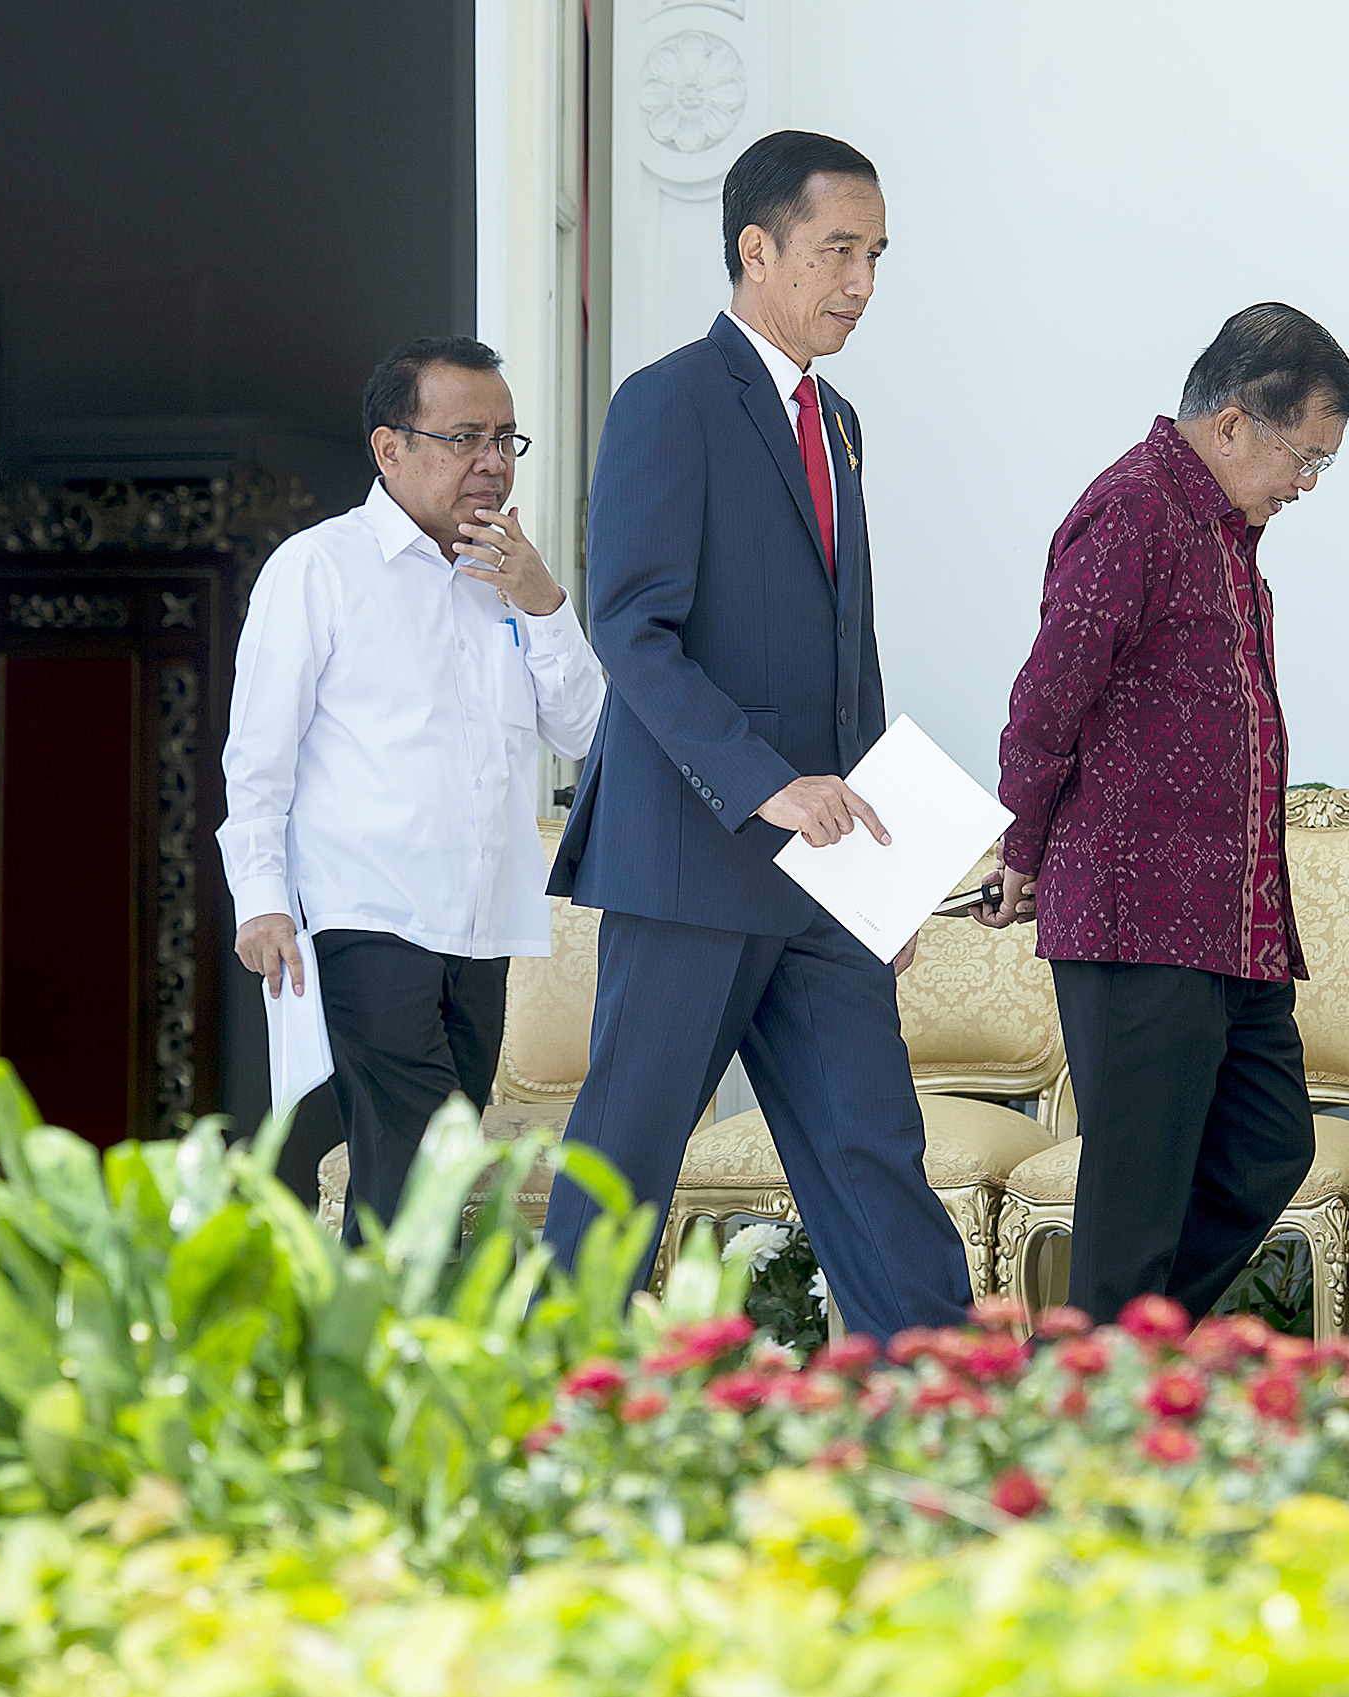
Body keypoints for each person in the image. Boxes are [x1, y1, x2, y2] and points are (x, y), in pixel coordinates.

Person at [539, 130, 972, 1340]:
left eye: (876, 254)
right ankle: (542, 1416)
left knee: (872, 1148)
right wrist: (765, 783)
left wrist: (885, 878)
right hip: (692, 858)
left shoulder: (838, 422)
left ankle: (943, 1422)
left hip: (825, 876)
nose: (863, 282)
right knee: (625, 1160)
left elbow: (850, 665)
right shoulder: (665, 401)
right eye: (839, 250)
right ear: (755, 248)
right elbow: (633, 629)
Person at [984, 302, 1349, 1322]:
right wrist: (1022, 843)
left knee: (1269, 1144)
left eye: (1321, 464)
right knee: (1139, 1189)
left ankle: (1115, 1348)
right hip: (1136, 914)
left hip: (1231, 920)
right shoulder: (1134, 511)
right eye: (1303, 456)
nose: (1305, 484)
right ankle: (1099, 1398)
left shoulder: (1223, 527)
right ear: (1234, 424)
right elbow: (1048, 691)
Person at [218, 336, 604, 1239]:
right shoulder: (318, 568)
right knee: (431, 1153)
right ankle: (410, 1355)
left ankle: (366, 1350)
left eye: (506, 439)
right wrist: (261, 900)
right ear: (390, 449)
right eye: (466, 436)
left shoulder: (509, 576)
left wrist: (543, 602)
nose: (492, 462)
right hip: (367, 915)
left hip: (483, 920)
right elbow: (257, 757)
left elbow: (589, 732)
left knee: (419, 1170)